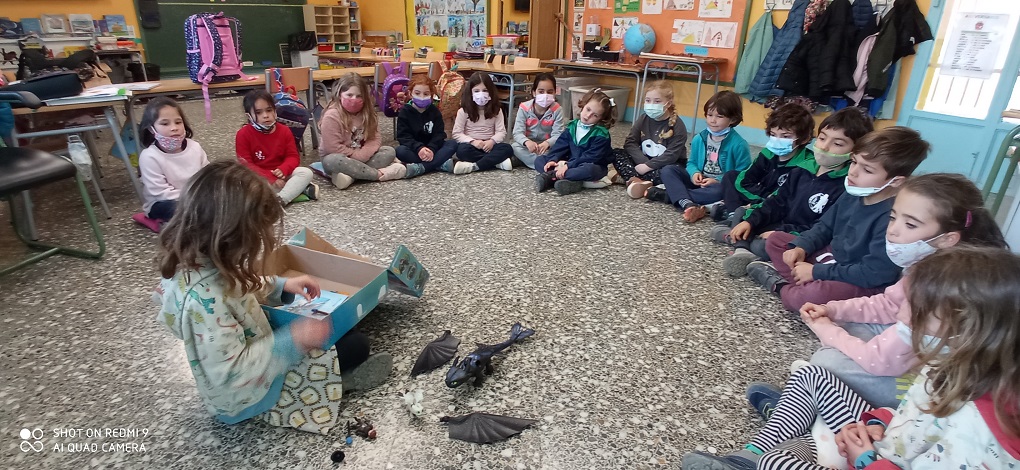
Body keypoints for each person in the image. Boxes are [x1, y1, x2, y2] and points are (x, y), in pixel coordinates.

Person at [682, 246, 1020, 470]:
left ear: (969, 329)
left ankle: (788, 426)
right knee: (811, 375)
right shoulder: (953, 366)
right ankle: (758, 449)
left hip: (876, 462)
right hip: (883, 446)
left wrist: (866, 461)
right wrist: (877, 422)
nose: (904, 316)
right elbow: (915, 419)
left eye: (919, 310)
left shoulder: (980, 434)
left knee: (777, 462)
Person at [154, 161, 393, 434]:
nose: (256, 248)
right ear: (229, 238)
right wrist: (294, 340)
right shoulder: (204, 300)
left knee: (342, 333)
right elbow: (234, 374)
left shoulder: (196, 264)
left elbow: (236, 286)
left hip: (256, 353)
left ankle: (332, 377)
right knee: (355, 345)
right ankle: (339, 384)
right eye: (255, 239)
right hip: (249, 398)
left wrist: (281, 285)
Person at [800, 173, 1008, 408]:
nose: (892, 231)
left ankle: (836, 397)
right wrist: (833, 310)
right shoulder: (929, 261)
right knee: (847, 327)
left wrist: (826, 329)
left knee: (828, 361)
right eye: (893, 217)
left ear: (948, 238)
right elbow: (890, 304)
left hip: (931, 382)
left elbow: (878, 360)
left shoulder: (944, 287)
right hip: (912, 347)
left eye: (910, 224)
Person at [747, 127, 930, 312]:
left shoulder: (893, 217)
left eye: (867, 170)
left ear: (896, 181)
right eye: (854, 162)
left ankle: (782, 287)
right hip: (831, 260)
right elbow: (825, 226)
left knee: (812, 295)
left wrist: (816, 272)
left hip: (859, 279)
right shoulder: (853, 192)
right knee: (776, 240)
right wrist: (802, 246)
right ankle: (804, 283)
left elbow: (874, 273)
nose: (853, 173)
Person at [715, 108, 873, 276]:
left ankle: (740, 242)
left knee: (765, 243)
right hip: (782, 223)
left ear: (855, 152)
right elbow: (777, 202)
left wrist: (782, 232)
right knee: (744, 214)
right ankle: (742, 247)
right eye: (822, 138)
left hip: (801, 235)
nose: (825, 147)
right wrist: (751, 222)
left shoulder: (845, 186)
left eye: (838, 144)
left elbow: (821, 227)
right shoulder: (801, 170)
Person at [646, 90, 750, 221]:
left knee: (719, 192)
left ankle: (672, 195)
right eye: (709, 115)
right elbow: (692, 162)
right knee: (668, 170)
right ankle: (686, 201)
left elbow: (743, 174)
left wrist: (717, 180)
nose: (713, 120)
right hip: (698, 182)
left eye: (719, 116)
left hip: (717, 186)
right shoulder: (699, 138)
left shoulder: (739, 144)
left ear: (732, 119)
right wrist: (694, 173)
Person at [713, 103, 816, 222]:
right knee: (731, 176)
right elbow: (744, 181)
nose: (777, 140)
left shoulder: (806, 164)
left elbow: (787, 198)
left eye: (785, 136)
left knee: (780, 209)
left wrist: (763, 200)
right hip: (761, 195)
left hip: (778, 204)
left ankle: (736, 211)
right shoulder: (768, 153)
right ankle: (733, 213)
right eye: (773, 135)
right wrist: (763, 196)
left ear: (804, 139)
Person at [317, 73, 402, 189]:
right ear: (340, 94)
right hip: (340, 158)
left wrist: (362, 155)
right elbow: (332, 148)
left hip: (362, 156)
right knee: (331, 160)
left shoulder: (367, 113)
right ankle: (377, 174)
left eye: (358, 96)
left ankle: (351, 177)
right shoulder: (331, 116)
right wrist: (356, 156)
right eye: (349, 95)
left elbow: (374, 139)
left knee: (389, 151)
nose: (354, 99)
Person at [235, 90, 318, 205]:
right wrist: (270, 178)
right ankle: (296, 190)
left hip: (282, 175)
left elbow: (293, 157)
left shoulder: (284, 130)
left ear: (275, 111)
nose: (265, 115)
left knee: (306, 172)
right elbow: (246, 165)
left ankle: (281, 200)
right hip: (259, 177)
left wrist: (283, 169)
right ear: (249, 116)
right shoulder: (242, 134)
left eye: (269, 110)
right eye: (258, 112)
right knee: (244, 185)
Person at [613, 80, 690, 199]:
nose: (651, 104)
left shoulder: (678, 126)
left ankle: (630, 177)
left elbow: (672, 155)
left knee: (669, 173)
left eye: (657, 101)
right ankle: (637, 180)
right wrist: (644, 162)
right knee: (616, 153)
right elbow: (630, 142)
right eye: (648, 100)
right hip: (644, 161)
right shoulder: (643, 118)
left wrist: (648, 166)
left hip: (666, 164)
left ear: (668, 103)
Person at [138, 96, 209, 224]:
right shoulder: (149, 156)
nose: (174, 128)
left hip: (197, 197)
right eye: (165, 124)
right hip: (163, 202)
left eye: (178, 122)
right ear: (151, 129)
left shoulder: (195, 147)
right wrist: (194, 198)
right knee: (179, 211)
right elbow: (159, 192)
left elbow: (208, 175)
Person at [534, 88, 615, 196]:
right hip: (569, 162)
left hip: (590, 165)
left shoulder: (601, 134)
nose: (588, 116)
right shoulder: (572, 126)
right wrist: (553, 159)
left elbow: (591, 157)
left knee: (589, 170)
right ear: (583, 105)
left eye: (595, 115)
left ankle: (551, 176)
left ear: (601, 118)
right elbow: (560, 146)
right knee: (539, 161)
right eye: (588, 109)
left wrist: (568, 166)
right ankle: (569, 181)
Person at [394, 75, 458, 178]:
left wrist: (431, 149)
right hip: (414, 150)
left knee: (452, 144)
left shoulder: (434, 111)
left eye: (426, 94)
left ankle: (421, 167)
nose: (422, 97)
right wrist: (419, 148)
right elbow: (403, 137)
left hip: (433, 149)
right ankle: (439, 164)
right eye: (417, 93)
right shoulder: (405, 112)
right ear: (410, 93)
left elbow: (439, 134)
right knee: (400, 151)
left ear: (431, 95)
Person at [451, 72, 514, 174]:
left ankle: (474, 166)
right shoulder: (463, 111)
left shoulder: (497, 110)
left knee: (507, 149)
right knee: (462, 151)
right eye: (476, 91)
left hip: (490, 145)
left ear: (491, 92)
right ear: (470, 93)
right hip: (472, 145)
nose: (481, 94)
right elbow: (457, 133)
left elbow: (501, 132)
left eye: (485, 90)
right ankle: (496, 163)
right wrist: (473, 142)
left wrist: (491, 141)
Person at [510, 73, 565, 170]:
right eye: (541, 91)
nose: (545, 95)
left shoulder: (557, 110)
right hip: (528, 146)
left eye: (550, 92)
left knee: (562, 150)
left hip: (547, 147)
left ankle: (525, 161)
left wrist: (547, 143)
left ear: (554, 93)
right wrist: (527, 142)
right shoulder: (524, 108)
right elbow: (517, 132)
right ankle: (544, 164)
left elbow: (558, 134)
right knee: (514, 147)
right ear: (534, 92)